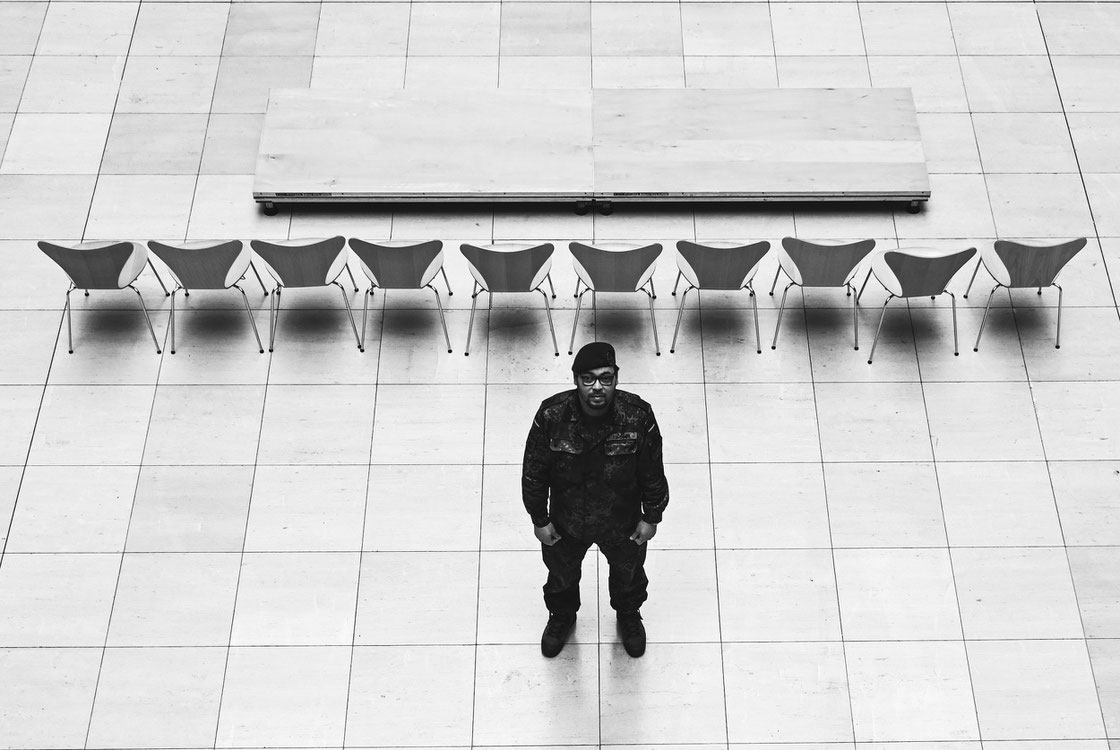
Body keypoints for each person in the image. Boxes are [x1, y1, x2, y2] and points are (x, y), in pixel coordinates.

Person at [522, 341, 669, 658]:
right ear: (575, 379)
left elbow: (652, 471)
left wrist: (651, 516)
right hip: (566, 522)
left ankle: (628, 616)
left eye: (605, 377)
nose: (597, 387)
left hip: (623, 521)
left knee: (629, 575)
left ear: (616, 378)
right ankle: (561, 617)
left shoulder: (637, 415)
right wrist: (539, 519)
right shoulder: (552, 415)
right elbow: (534, 472)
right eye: (588, 378)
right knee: (561, 577)